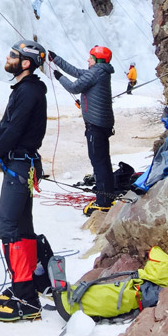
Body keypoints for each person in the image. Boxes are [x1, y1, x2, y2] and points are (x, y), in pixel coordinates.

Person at [0, 39, 48, 322]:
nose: (8, 57)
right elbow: (5, 124)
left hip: (20, 163)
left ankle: (25, 297)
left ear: (25, 63)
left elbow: (14, 130)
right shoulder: (24, 89)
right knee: (21, 226)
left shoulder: (28, 92)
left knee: (8, 225)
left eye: (13, 55)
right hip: (19, 163)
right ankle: (27, 289)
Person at [48, 45, 115, 215]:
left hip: (96, 126)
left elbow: (73, 87)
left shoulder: (96, 72)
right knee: (103, 161)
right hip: (101, 125)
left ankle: (103, 201)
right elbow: (77, 71)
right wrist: (56, 59)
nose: (88, 60)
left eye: (90, 58)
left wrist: (59, 77)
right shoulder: (100, 71)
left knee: (99, 162)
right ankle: (107, 195)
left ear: (97, 60)